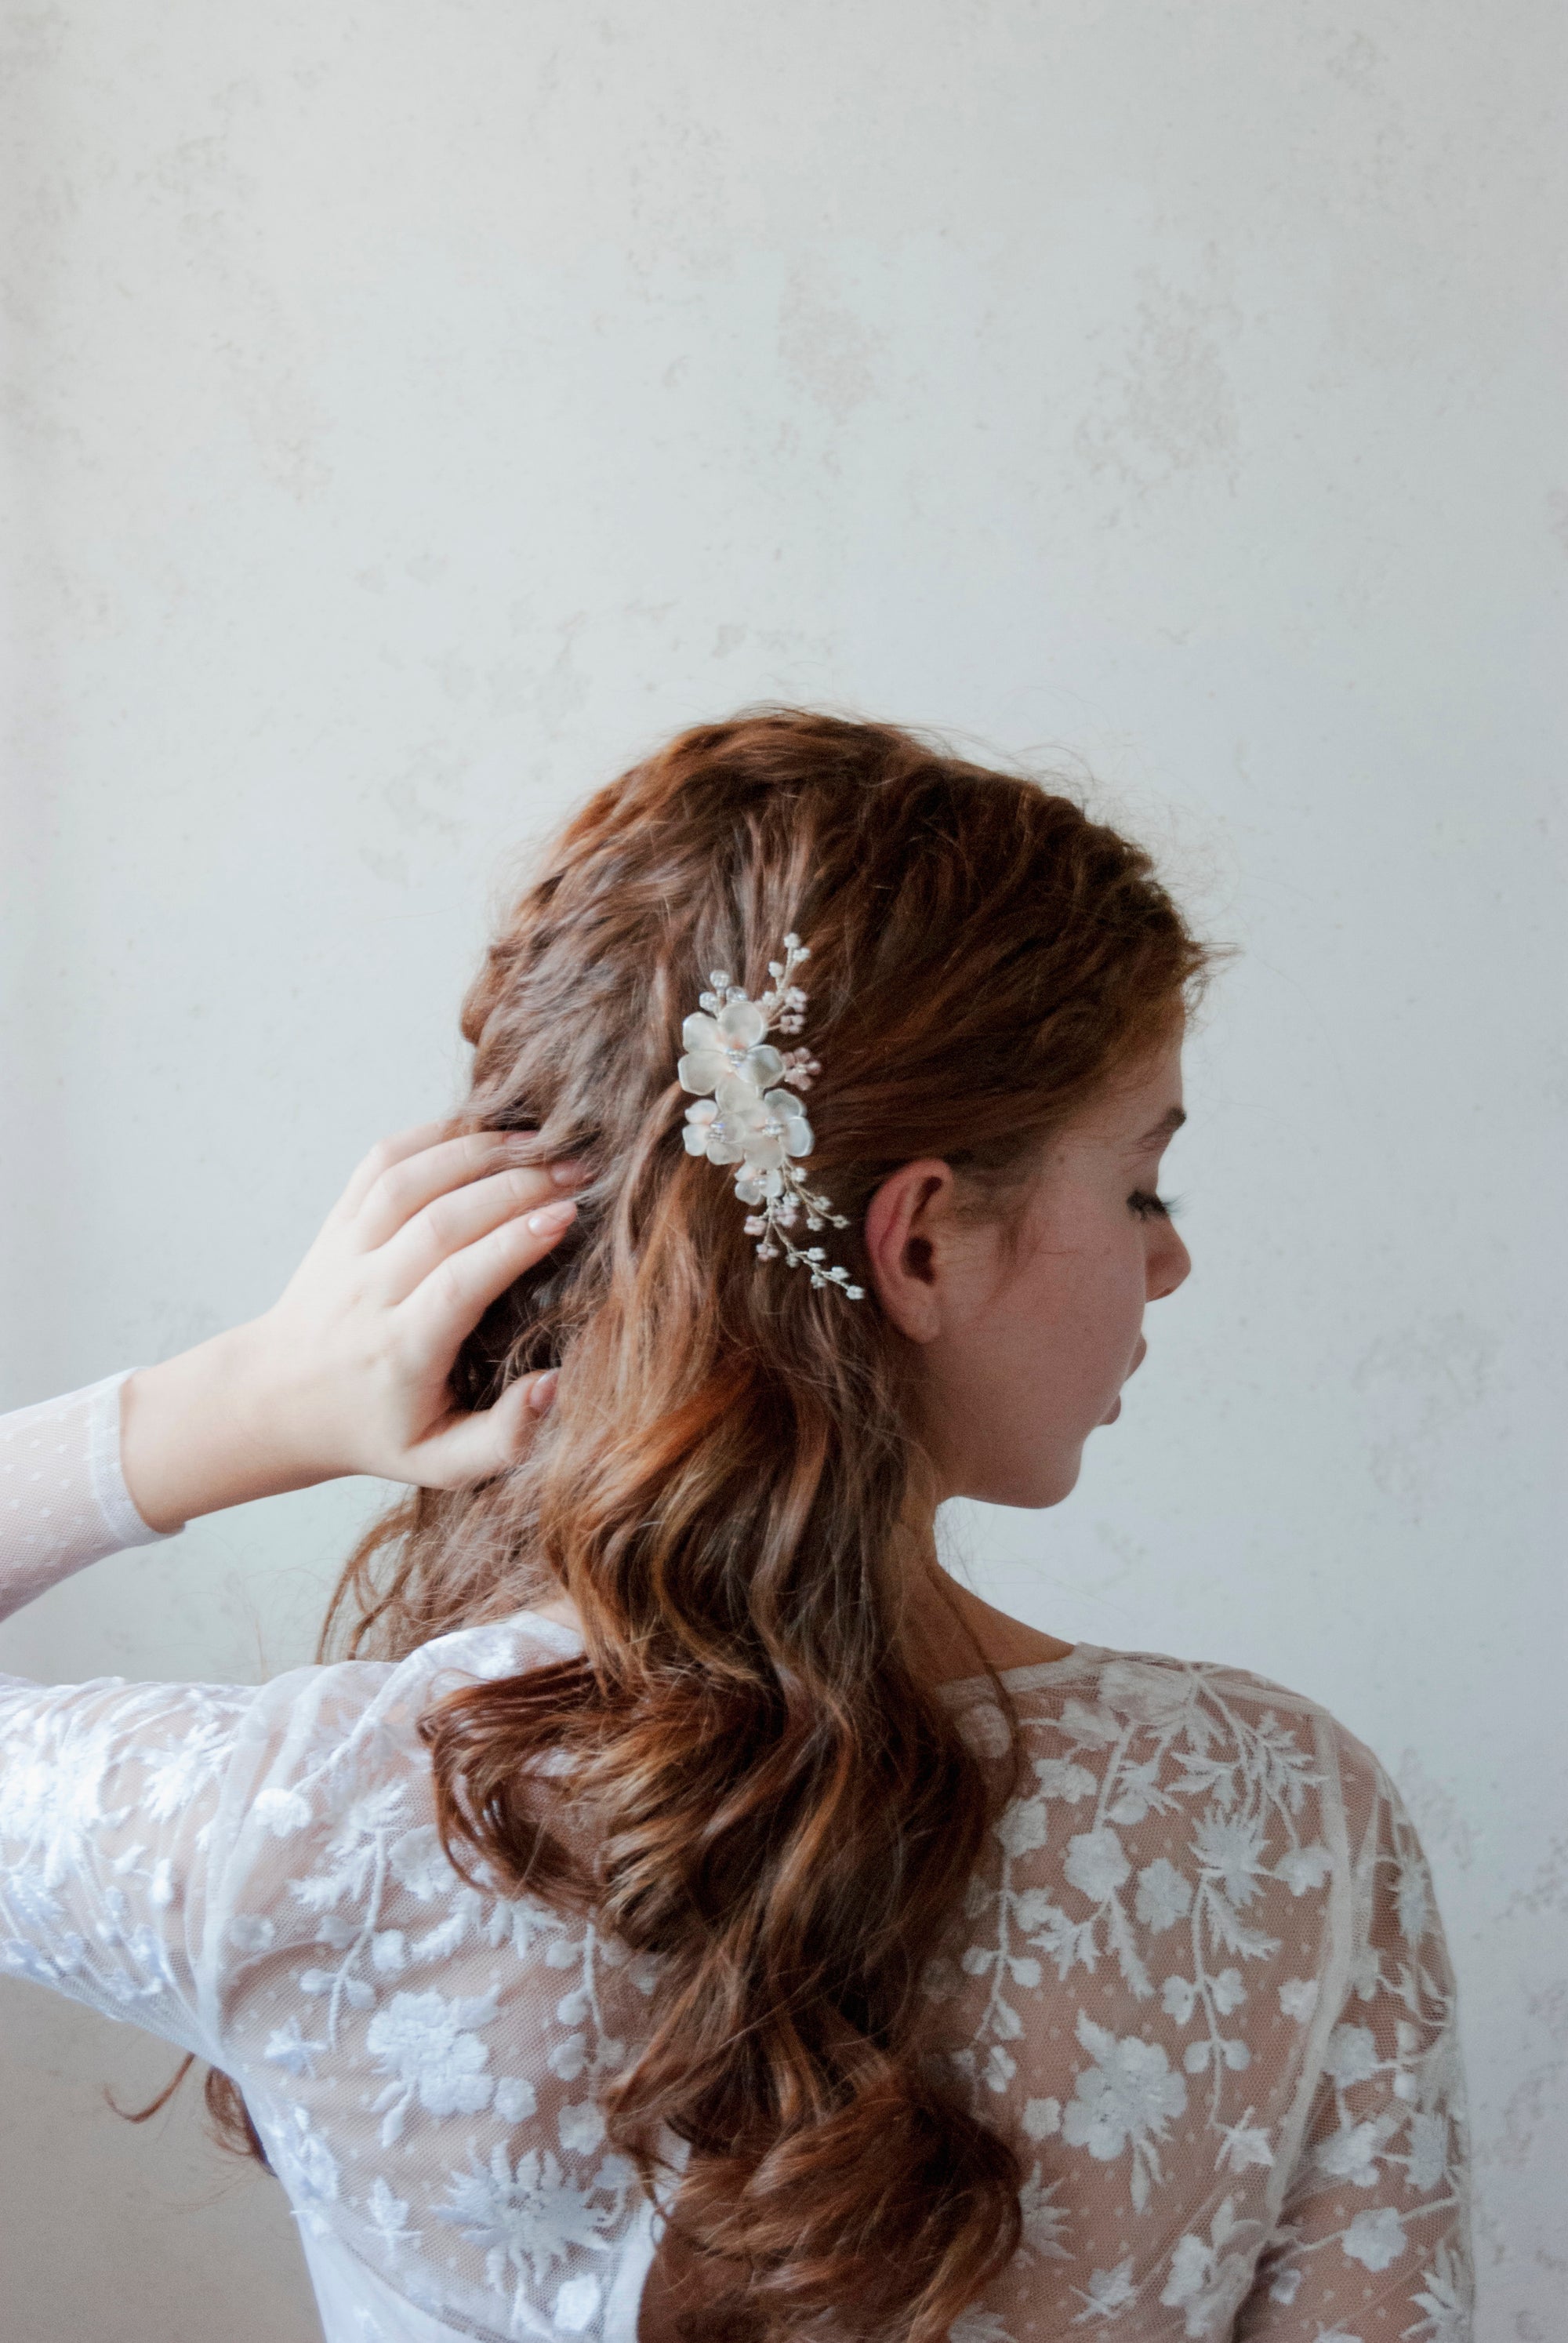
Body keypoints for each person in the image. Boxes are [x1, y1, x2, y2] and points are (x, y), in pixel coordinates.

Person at [0, 710, 1472, 2343]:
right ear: (917, 1246)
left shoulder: (307, 1820)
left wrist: (241, 1404)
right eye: (1144, 1188)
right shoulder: (1280, 1823)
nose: (1168, 1264)